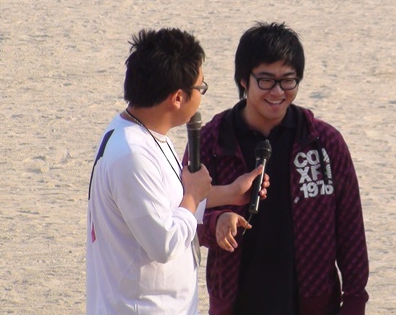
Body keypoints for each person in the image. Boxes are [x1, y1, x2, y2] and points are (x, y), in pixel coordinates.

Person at [86, 28, 268, 314]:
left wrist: (232, 193)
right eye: (200, 87)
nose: (202, 95)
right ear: (178, 98)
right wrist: (193, 197)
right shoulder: (132, 155)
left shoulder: (146, 135)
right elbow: (164, 243)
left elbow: (170, 203)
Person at [194, 22, 369, 315]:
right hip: (237, 303)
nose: (277, 91)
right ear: (243, 80)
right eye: (266, 80)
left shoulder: (325, 143)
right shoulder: (212, 140)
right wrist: (216, 223)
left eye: (288, 81)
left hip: (314, 305)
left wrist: (354, 301)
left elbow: (350, 230)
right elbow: (182, 212)